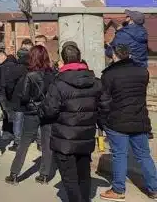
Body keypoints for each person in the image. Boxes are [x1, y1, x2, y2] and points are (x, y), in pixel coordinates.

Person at [39, 42, 102, 202]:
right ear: (79, 58)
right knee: (84, 175)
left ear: (63, 60)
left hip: (64, 139)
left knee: (70, 178)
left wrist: (40, 110)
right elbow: (105, 106)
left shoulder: (58, 83)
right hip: (86, 136)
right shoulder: (95, 82)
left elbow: (49, 110)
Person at [98, 44, 157, 200]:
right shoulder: (142, 72)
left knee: (119, 155)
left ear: (114, 56)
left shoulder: (109, 75)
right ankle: (154, 188)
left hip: (117, 121)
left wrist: (104, 121)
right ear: (129, 55)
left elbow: (104, 102)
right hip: (139, 119)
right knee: (144, 155)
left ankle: (118, 189)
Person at [5, 45, 56, 185]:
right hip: (48, 112)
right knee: (47, 144)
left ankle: (14, 174)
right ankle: (44, 175)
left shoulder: (30, 75)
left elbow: (24, 96)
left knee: (24, 143)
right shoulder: (52, 74)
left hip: (32, 112)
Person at [0, 45, 26, 150]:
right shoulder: (25, 66)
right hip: (24, 96)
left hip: (11, 95)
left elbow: (8, 84)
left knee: (13, 117)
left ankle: (16, 140)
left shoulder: (7, 67)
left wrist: (9, 93)